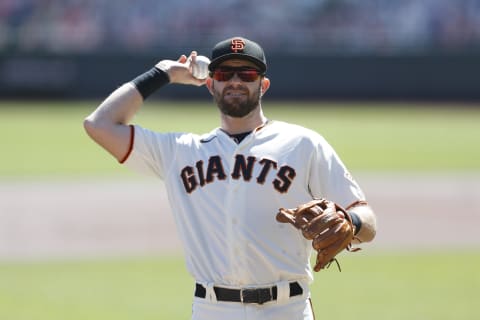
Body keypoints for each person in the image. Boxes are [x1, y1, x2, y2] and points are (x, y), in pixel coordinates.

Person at [84, 36, 377, 320]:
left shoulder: (303, 144)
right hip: (213, 310)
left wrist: (352, 222)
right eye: (225, 73)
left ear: (263, 85)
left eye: (247, 73)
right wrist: (164, 73)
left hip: (288, 309)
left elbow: (367, 220)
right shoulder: (180, 151)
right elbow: (99, 125)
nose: (235, 81)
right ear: (210, 84)